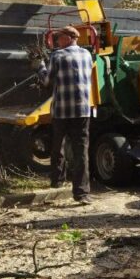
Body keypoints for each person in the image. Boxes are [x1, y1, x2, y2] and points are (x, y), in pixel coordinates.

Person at [38, 25, 93, 204]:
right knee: (81, 151)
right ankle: (82, 193)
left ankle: (57, 181)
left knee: (58, 145)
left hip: (62, 111)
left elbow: (47, 81)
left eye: (60, 38)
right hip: (83, 110)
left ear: (69, 38)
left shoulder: (57, 56)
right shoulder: (87, 54)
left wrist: (39, 67)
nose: (57, 41)